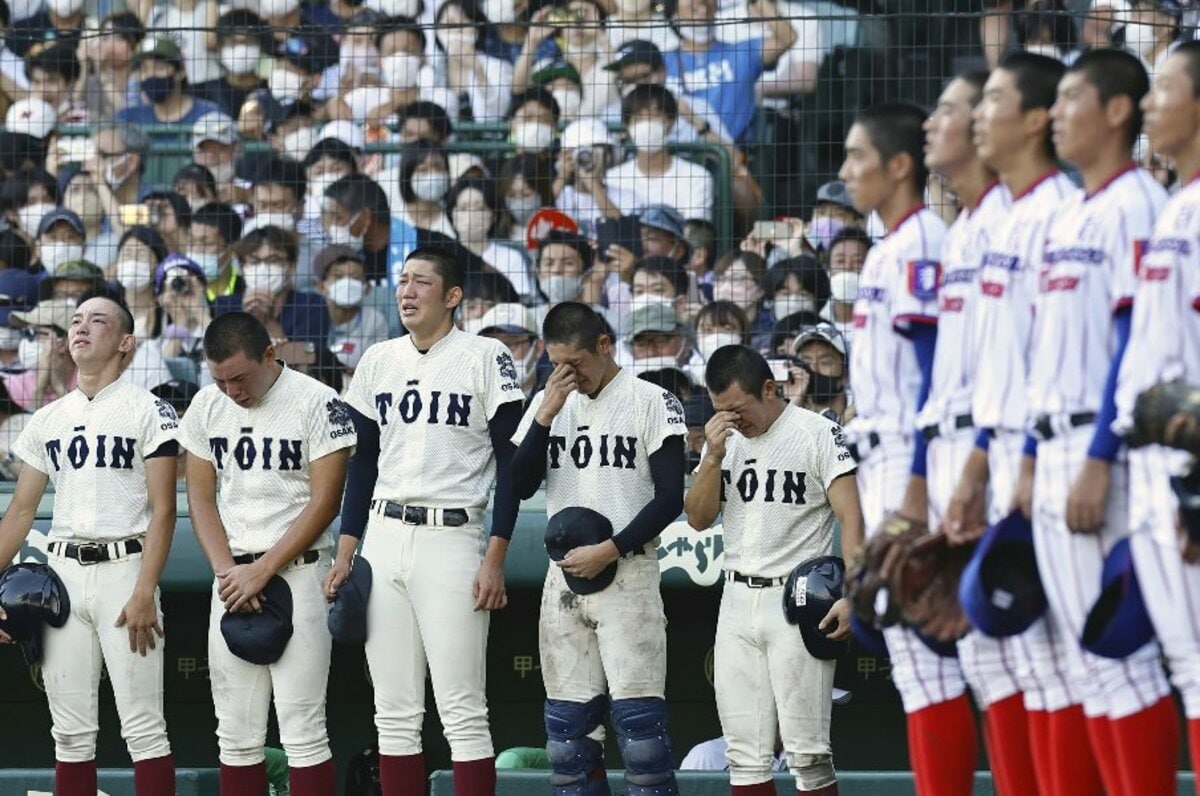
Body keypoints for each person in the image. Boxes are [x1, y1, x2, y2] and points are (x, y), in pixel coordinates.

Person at [1024, 47, 1175, 793]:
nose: (1057, 113)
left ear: (1118, 110)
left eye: (1072, 97)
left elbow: (1133, 337)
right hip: (1053, 442)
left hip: (1101, 448)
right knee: (1080, 665)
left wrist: (1100, 451)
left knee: (1122, 661)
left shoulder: (1138, 201)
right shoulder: (1071, 211)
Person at [944, 52, 1089, 794]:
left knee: (1072, 662)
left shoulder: (1058, 212)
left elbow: (1055, 361)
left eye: (985, 102)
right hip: (992, 447)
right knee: (1009, 660)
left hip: (1054, 447)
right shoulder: (995, 221)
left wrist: (1017, 456)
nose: (967, 120)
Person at [331, 247, 524, 794]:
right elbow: (362, 461)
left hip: (454, 535)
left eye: (421, 282)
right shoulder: (378, 360)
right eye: (402, 281)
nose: (407, 291)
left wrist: (496, 555)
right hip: (384, 533)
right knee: (392, 713)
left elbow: (510, 463)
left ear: (453, 296)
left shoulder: (486, 356)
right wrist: (347, 551)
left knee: (463, 710)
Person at [837, 101, 976, 794]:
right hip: (883, 455)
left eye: (857, 156)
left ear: (898, 166)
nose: (845, 170)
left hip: (913, 455)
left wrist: (918, 486)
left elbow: (934, 377)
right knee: (915, 664)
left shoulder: (922, 242)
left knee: (938, 658)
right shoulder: (891, 245)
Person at [0, 291, 178, 795]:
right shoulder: (48, 418)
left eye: (97, 320)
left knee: (144, 728)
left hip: (128, 569)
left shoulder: (151, 410)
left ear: (126, 341)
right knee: (71, 735)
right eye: (76, 321)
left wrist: (146, 589)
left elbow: (165, 510)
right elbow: (20, 510)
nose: (81, 328)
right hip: (63, 576)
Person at [919, 70, 1041, 796]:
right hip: (966, 447)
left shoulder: (1020, 215)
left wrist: (991, 460)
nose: (940, 122)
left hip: (1016, 447)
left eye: (954, 108)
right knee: (995, 663)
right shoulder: (967, 227)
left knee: (1045, 661)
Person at [510, 301, 686, 796]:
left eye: (576, 363)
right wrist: (544, 413)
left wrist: (611, 548)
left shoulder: (652, 400)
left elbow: (671, 496)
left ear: (604, 347)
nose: (567, 374)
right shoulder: (550, 402)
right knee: (568, 737)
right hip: (562, 580)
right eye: (556, 363)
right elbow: (519, 485)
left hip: (628, 572)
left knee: (642, 734)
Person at [182, 311, 355, 794]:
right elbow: (199, 496)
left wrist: (263, 569)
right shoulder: (205, 406)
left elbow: (326, 501)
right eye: (219, 379)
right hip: (233, 577)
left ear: (269, 355)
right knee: (235, 736)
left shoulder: (316, 400)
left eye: (239, 377)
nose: (231, 390)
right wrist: (227, 571)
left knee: (303, 732)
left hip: (298, 573)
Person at [684, 344, 861, 796]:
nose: (732, 419)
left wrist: (854, 592)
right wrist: (712, 456)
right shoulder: (724, 444)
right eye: (722, 410)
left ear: (769, 389)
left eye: (738, 408)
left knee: (808, 754)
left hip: (799, 601)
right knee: (744, 756)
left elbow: (852, 517)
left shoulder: (817, 433)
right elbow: (698, 517)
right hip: (737, 596)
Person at [1117, 39, 1200, 784]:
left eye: (1165, 86)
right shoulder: (1176, 204)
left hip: (1188, 463)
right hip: (1157, 463)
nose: (1150, 103)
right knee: (1183, 666)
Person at [605, 84, 714, 221]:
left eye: (654, 116)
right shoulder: (612, 179)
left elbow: (695, 235)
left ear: (671, 120)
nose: (646, 124)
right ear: (627, 126)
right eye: (638, 119)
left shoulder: (697, 177)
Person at [217, 226, 330, 348]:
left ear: (291, 267)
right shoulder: (224, 306)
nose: (263, 269)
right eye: (254, 261)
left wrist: (269, 323)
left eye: (273, 260)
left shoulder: (311, 306)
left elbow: (304, 361)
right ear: (242, 267)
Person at [117, 36, 223, 130]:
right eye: (144, 69)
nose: (150, 74)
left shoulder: (209, 115)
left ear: (180, 72)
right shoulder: (129, 119)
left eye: (158, 67)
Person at [312, 245, 389, 373]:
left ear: (367, 287)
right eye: (339, 277)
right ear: (321, 287)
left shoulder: (374, 320)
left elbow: (378, 367)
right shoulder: (311, 317)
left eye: (355, 277)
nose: (347, 283)